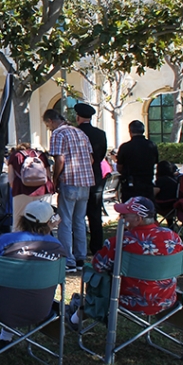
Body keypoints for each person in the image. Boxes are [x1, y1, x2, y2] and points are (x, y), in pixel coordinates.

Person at [0, 200, 68, 344]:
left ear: (22, 219)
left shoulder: (5, 241)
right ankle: (6, 337)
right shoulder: (57, 247)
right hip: (40, 311)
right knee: (23, 285)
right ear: (49, 222)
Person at [68, 197, 183, 328]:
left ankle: (75, 319)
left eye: (124, 215)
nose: (120, 218)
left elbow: (99, 265)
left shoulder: (120, 242)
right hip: (165, 299)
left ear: (138, 219)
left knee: (96, 277)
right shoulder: (173, 237)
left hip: (127, 300)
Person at [42, 108, 94, 273]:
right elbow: (91, 159)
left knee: (64, 221)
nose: (49, 128)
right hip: (85, 182)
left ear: (50, 121)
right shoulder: (80, 133)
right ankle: (81, 257)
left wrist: (55, 178)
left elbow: (60, 159)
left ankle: (68, 259)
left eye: (47, 125)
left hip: (69, 181)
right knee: (79, 221)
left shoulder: (58, 134)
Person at [74, 102, 109, 255]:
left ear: (78, 117)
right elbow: (101, 155)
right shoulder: (100, 134)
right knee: (95, 214)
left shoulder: (75, 133)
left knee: (77, 215)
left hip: (78, 175)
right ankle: (96, 246)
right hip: (95, 176)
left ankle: (78, 246)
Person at [6, 142, 54, 226]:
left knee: (18, 221)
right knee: (43, 221)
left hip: (21, 191)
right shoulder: (41, 155)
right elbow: (48, 176)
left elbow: (11, 179)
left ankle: (19, 238)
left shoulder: (15, 156)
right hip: (43, 191)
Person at [115, 120, 159, 201]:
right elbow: (155, 162)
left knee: (130, 208)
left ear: (130, 131)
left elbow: (119, 166)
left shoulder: (125, 147)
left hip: (130, 183)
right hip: (147, 182)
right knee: (146, 208)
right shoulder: (152, 145)